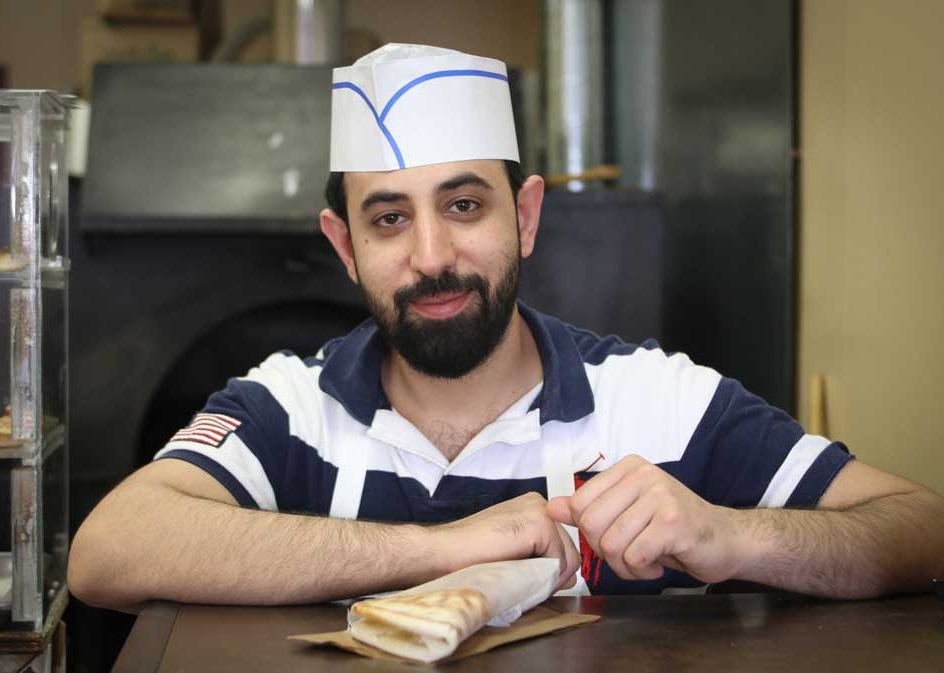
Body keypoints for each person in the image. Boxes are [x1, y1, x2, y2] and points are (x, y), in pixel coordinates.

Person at [68, 44, 944, 611]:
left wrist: (731, 534)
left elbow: (919, 526)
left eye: (464, 204)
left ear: (525, 217)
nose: (433, 254)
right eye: (388, 219)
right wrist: (438, 549)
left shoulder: (657, 399)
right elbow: (109, 551)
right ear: (344, 246)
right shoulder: (289, 407)